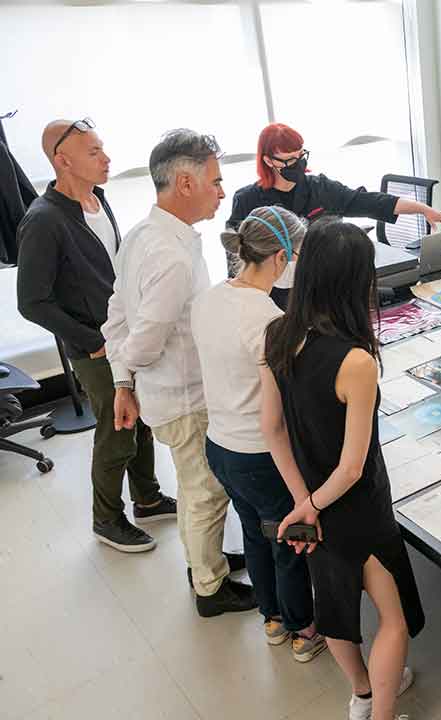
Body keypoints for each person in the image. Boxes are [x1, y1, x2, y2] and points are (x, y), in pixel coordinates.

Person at [262, 217, 424, 720]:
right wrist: (312, 505)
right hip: (357, 511)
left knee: (334, 609)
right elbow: (353, 468)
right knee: (391, 618)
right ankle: (382, 714)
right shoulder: (356, 361)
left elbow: (272, 429)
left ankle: (362, 694)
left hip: (314, 504)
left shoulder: (276, 335)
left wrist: (302, 505)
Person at [102, 129, 254, 617]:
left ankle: (204, 559)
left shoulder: (145, 235)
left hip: (167, 392)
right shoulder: (169, 257)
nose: (223, 191)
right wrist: (129, 370)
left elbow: (115, 314)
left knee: (196, 490)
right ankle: (209, 588)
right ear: (184, 183)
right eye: (215, 180)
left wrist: (122, 382)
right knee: (205, 492)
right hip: (185, 398)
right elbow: (142, 341)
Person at [16, 118, 175, 552]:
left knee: (140, 415)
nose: (107, 160)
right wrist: (92, 340)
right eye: (94, 153)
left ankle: (147, 497)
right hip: (95, 346)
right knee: (118, 428)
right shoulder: (43, 221)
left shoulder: (98, 199)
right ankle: (106, 519)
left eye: (103, 150)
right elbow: (31, 301)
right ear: (62, 160)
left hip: (126, 334)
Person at [192, 206, 326, 661]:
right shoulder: (268, 322)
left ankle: (271, 618)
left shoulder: (209, 299)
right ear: (280, 257)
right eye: (299, 255)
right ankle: (303, 631)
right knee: (289, 541)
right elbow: (284, 411)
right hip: (259, 454)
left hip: (220, 445)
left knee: (255, 533)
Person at [225, 122, 441, 289]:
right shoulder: (247, 200)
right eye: (289, 160)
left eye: (300, 155)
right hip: (275, 291)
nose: (298, 163)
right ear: (268, 161)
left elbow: (370, 202)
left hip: (323, 283)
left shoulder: (321, 188)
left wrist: (423, 209)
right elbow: (236, 256)